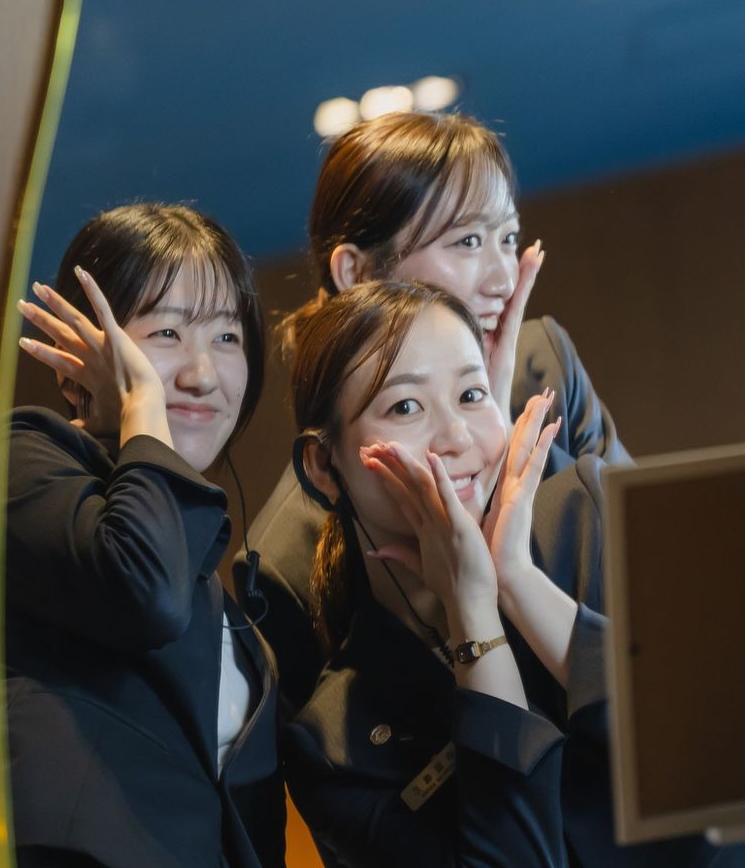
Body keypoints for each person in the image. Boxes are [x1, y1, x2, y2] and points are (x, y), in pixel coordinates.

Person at [281, 280, 739, 868]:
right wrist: (472, 611)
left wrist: (517, 583)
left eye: (471, 395)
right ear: (323, 467)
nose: (456, 437)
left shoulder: (586, 512)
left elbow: (720, 754)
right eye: (405, 408)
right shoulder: (334, 740)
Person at [5, 204, 333, 868]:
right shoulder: (27, 458)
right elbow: (141, 592)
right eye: (165, 335)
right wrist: (139, 413)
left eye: (226, 336)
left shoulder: (219, 594)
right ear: (81, 358)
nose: (201, 372)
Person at [238, 110, 628, 710]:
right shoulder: (285, 555)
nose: (503, 277)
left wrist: (493, 430)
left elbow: (654, 572)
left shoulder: (545, 365)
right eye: (467, 241)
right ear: (356, 272)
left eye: (508, 238)